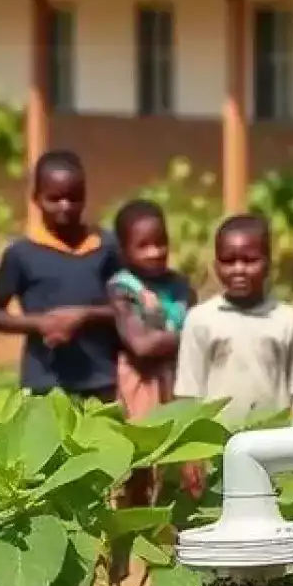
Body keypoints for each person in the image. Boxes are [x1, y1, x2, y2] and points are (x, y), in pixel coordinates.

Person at [0, 150, 120, 402]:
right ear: (36, 199)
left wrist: (84, 316)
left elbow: (126, 306)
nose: (65, 206)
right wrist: (41, 323)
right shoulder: (21, 254)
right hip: (44, 381)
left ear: (85, 197)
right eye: (54, 199)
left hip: (101, 379)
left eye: (74, 198)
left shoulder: (106, 246)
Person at [174, 213, 293, 427]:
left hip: (274, 440)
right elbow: (188, 393)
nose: (239, 269)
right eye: (228, 261)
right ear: (216, 265)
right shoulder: (200, 319)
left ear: (268, 263)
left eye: (249, 260)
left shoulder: (288, 320)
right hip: (217, 443)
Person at [108, 199, 197, 503]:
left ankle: (173, 537)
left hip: (181, 381)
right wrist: (192, 336)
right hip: (141, 384)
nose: (155, 252)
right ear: (123, 250)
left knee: (184, 458)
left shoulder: (180, 284)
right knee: (141, 462)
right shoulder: (123, 288)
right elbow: (141, 345)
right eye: (142, 245)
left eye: (160, 243)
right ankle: (133, 538)